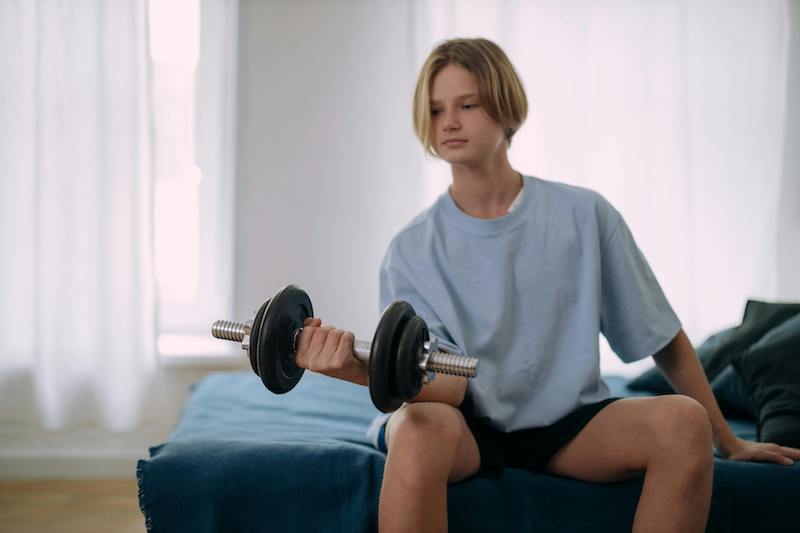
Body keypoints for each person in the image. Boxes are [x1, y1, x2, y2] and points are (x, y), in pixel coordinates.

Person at [294, 37, 800, 533]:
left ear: (507, 109)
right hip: (464, 424)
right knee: (416, 430)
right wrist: (365, 372)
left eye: (466, 104)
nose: (447, 122)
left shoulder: (585, 216)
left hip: (572, 427)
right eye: (433, 110)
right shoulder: (412, 249)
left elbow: (660, 335)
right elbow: (442, 383)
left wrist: (727, 441)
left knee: (681, 422)